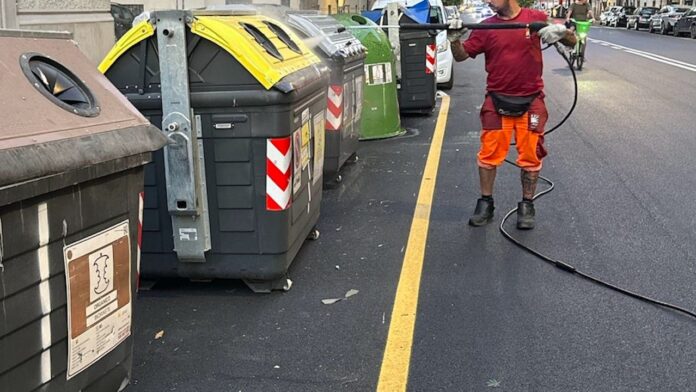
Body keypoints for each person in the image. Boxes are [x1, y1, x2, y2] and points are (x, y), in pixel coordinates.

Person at [448, 0, 575, 230]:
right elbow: (461, 56)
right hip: (497, 101)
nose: (487, 1)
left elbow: (572, 41)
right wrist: (454, 39)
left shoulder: (535, 18)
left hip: (531, 101)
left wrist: (561, 32)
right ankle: (486, 203)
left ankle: (527, 205)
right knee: (488, 155)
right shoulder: (487, 27)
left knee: (530, 156)